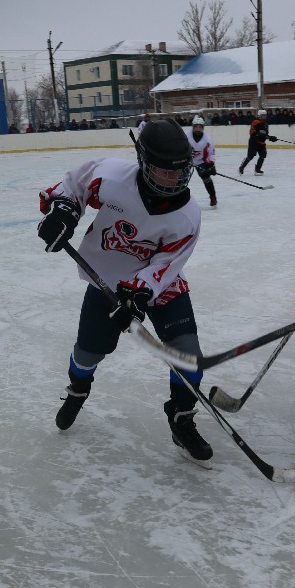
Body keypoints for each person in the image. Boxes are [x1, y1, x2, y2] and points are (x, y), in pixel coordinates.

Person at [36, 118, 214, 463]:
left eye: (178, 172)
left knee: (188, 356)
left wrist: (138, 293)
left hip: (160, 286)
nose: (171, 179)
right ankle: (78, 389)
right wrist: (63, 211)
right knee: (89, 352)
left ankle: (181, 418)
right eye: (163, 171)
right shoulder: (111, 176)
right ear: (143, 161)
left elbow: (168, 263)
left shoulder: (187, 215)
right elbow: (73, 187)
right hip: (107, 281)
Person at [186, 115, 218, 208]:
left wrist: (211, 165)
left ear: (203, 128)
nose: (198, 129)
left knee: (207, 179)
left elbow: (211, 153)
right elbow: (179, 148)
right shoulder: (185, 137)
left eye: (200, 127)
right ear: (193, 127)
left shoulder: (208, 140)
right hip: (186, 161)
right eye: (196, 127)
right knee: (181, 179)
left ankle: (213, 197)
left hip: (200, 161)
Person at [238, 109, 274, 176]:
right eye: (262, 115)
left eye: (265, 115)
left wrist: (270, 138)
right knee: (250, 156)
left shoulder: (266, 124)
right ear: (259, 115)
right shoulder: (255, 122)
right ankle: (241, 167)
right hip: (254, 142)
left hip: (262, 143)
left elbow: (265, 134)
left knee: (263, 155)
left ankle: (257, 169)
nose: (264, 116)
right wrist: (260, 135)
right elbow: (252, 133)